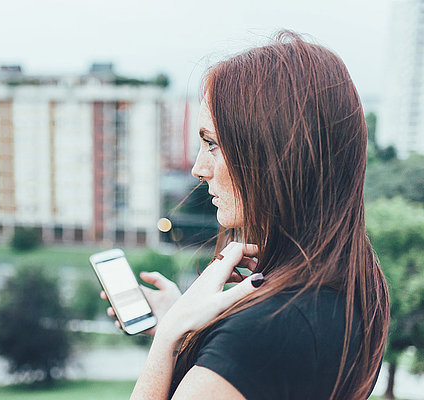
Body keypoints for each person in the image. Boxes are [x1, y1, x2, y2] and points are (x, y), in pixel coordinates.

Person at [99, 30, 389, 400]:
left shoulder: (260, 335)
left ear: (273, 153)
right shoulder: (349, 292)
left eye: (213, 143)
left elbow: (255, 355)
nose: (199, 169)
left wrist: (170, 338)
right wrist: (195, 331)